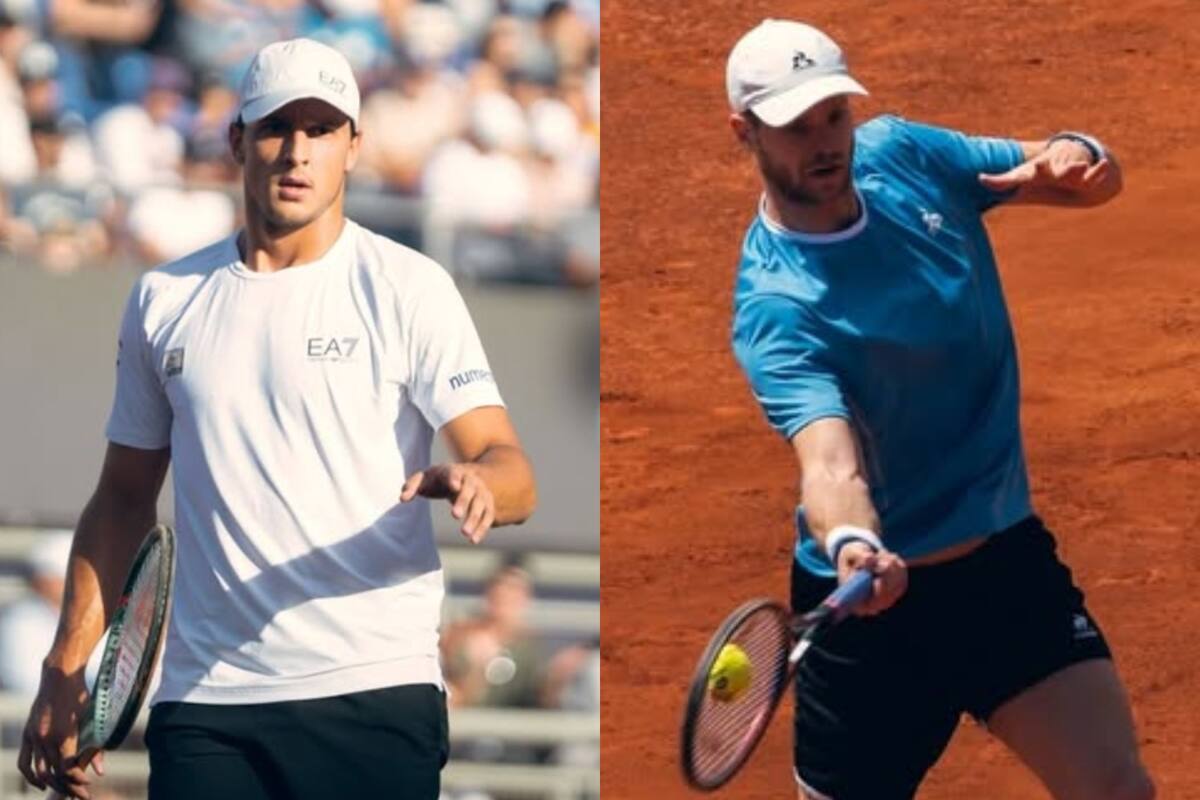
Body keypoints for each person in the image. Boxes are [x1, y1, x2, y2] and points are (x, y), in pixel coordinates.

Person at [17, 36, 536, 800]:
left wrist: (483, 482)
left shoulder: (409, 288)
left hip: (372, 690)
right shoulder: (163, 299)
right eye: (275, 127)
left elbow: (509, 462)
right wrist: (66, 667)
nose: (298, 151)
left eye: (322, 129)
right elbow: (123, 496)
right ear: (237, 141)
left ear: (353, 147)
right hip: (206, 707)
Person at [725, 19, 1151, 800]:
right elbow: (828, 461)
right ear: (744, 132)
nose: (825, 142)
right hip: (870, 616)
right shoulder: (778, 305)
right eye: (794, 127)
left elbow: (1077, 171)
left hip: (1002, 569)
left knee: (1116, 789)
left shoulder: (902, 156)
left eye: (833, 116)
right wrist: (855, 544)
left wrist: (1081, 153)